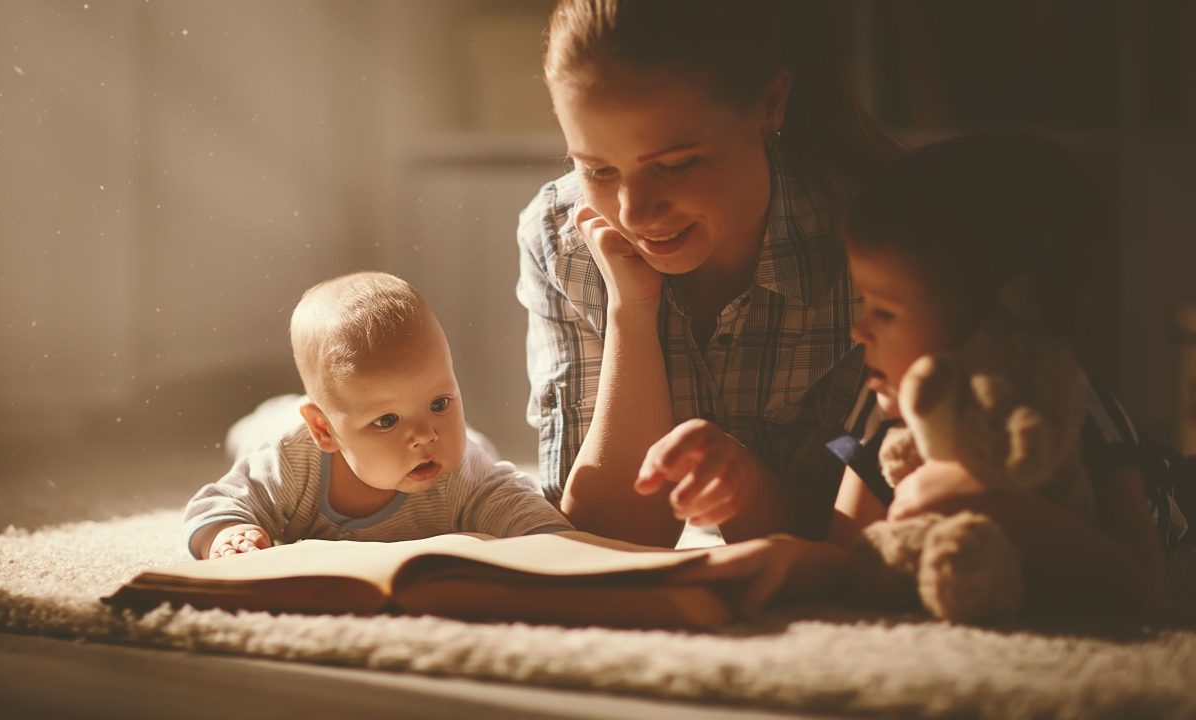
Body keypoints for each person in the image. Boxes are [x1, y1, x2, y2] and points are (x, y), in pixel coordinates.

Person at [671, 132, 1179, 617]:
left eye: (885, 312)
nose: (858, 331)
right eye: (863, 303)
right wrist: (782, 558)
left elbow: (1143, 589)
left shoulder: (1067, 403)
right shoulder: (881, 407)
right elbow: (850, 554)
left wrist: (988, 500)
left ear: (1002, 321)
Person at [517, 0, 900, 547]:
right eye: (598, 170)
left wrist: (750, 490)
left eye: (676, 165)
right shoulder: (564, 238)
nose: (634, 213)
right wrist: (631, 312)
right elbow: (608, 538)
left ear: (770, 104)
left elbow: (868, 539)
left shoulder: (872, 243)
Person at [184, 272, 571, 560]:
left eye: (440, 403)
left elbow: (515, 504)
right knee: (253, 432)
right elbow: (217, 504)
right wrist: (229, 534)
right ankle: (265, 418)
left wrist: (552, 538)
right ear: (323, 430)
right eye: (387, 420)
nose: (425, 434)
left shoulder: (463, 474)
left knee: (473, 446)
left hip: (456, 442)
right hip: (278, 423)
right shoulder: (289, 464)